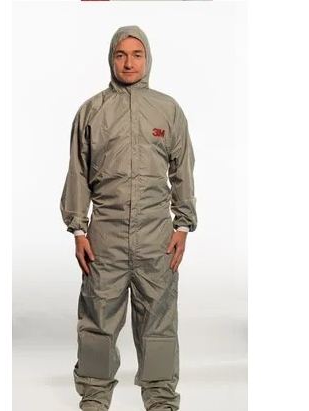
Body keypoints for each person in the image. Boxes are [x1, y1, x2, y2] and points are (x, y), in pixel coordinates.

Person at [60, 25, 197, 411]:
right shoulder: (92, 111)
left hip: (157, 238)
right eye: (121, 54)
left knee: (159, 325)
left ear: (148, 58)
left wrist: (182, 225)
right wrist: (78, 229)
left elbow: (183, 170)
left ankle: (160, 401)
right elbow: (77, 173)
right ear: (111, 58)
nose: (129, 62)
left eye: (137, 55)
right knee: (98, 323)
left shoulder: (168, 110)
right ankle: (94, 398)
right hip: (105, 237)